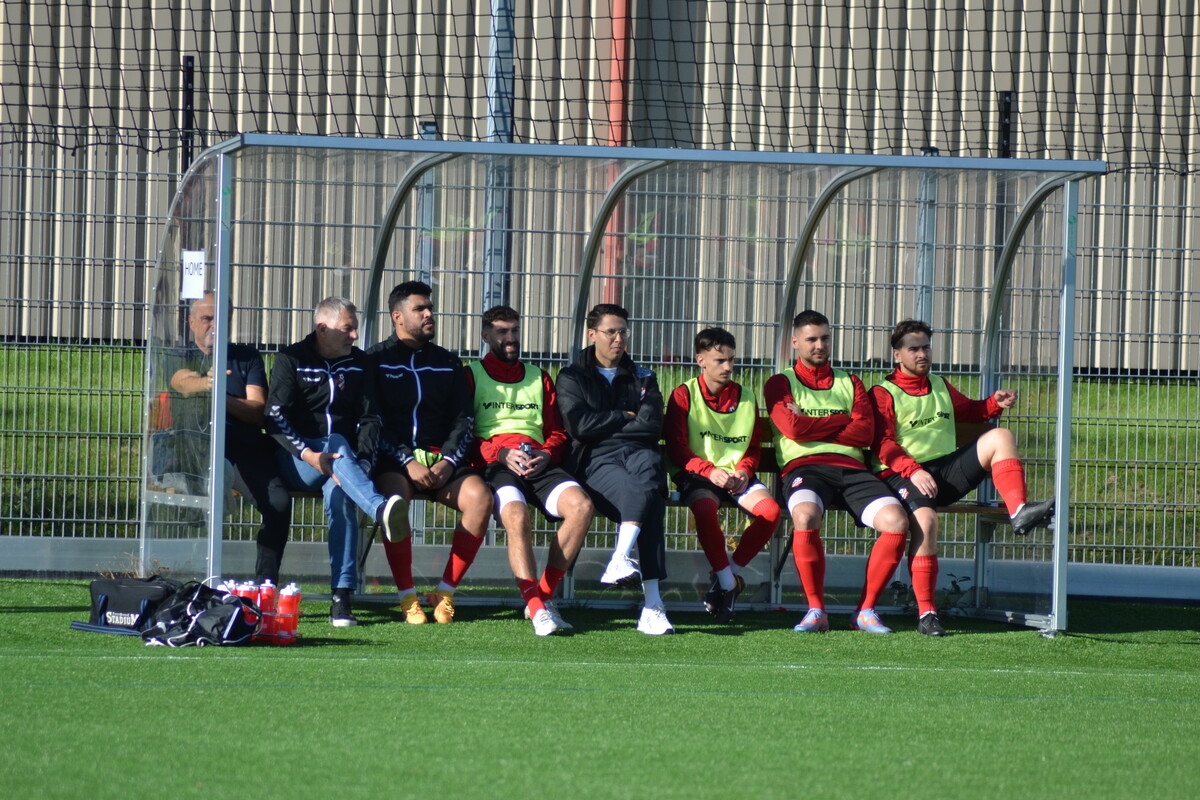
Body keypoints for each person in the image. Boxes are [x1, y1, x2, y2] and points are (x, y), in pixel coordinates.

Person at [869, 319, 1056, 636]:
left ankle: (1019, 512)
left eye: (926, 347)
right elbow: (883, 444)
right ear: (897, 355)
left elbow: (970, 411)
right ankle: (927, 614)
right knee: (926, 522)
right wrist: (913, 470)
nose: (922, 354)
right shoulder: (882, 393)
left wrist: (994, 403)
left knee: (1000, 436)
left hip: (943, 474)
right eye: (914, 349)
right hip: (903, 475)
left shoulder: (939, 384)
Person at [765, 309, 910, 635]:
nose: (819, 345)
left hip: (852, 469)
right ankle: (816, 610)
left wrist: (811, 424)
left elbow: (864, 433)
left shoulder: (850, 381)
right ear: (795, 342)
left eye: (825, 338)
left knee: (896, 521)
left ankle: (865, 611)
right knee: (805, 515)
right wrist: (843, 419)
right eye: (811, 339)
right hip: (805, 468)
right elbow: (792, 428)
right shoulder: (779, 383)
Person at [266, 296, 407, 627]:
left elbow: (371, 418)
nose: (355, 336)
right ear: (322, 329)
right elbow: (275, 417)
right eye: (348, 329)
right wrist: (310, 455)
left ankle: (341, 599)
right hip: (298, 460)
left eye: (355, 329)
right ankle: (378, 508)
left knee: (341, 492)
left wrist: (364, 464)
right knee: (336, 442)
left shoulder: (360, 363)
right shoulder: (291, 359)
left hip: (345, 466)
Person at [369, 281, 494, 625]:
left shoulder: (447, 362)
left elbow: (464, 419)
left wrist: (449, 460)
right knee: (394, 501)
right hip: (396, 463)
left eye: (430, 309)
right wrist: (406, 460)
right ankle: (407, 596)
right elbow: (373, 420)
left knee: (481, 498)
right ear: (397, 316)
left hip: (443, 463)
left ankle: (445, 592)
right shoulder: (375, 361)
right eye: (419, 309)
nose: (429, 314)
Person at [466, 305, 594, 636]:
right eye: (502, 332)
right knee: (517, 516)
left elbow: (557, 432)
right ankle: (537, 610)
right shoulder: (471, 375)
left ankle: (543, 598)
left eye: (514, 331)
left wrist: (546, 454)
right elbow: (465, 435)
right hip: (498, 465)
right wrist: (500, 453)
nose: (510, 338)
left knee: (582, 506)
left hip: (538, 462)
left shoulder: (539, 376)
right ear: (485, 336)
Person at [556, 303, 673, 635]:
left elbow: (651, 426)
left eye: (623, 331)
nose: (619, 339)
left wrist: (606, 424)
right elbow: (579, 426)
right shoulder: (572, 376)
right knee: (651, 498)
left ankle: (622, 561)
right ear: (592, 334)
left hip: (639, 452)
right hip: (596, 459)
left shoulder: (643, 376)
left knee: (651, 468)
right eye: (611, 332)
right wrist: (623, 415)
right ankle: (652, 604)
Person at [169, 291, 292, 585]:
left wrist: (221, 396)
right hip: (195, 449)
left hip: (243, 450)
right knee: (205, 494)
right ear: (191, 322)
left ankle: (266, 584)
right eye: (207, 318)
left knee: (279, 503)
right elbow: (180, 382)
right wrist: (206, 383)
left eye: (222, 319)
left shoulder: (247, 357)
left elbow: (258, 410)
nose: (214, 325)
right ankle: (191, 579)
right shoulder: (179, 353)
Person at [664, 327, 780, 623]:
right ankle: (729, 585)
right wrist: (709, 470)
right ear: (700, 360)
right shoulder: (683, 394)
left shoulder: (746, 396)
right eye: (720, 360)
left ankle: (726, 579)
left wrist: (745, 471)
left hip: (736, 477)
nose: (728, 367)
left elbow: (753, 447)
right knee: (705, 508)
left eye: (731, 360)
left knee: (771, 512)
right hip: (697, 475)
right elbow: (676, 448)